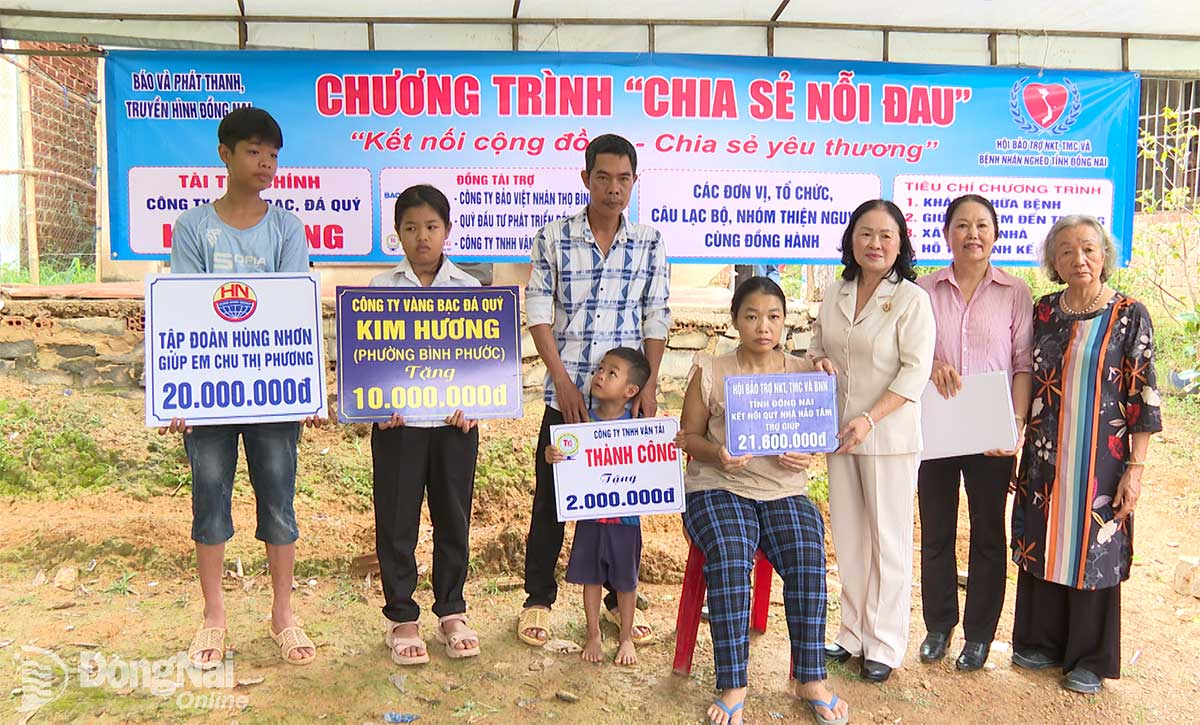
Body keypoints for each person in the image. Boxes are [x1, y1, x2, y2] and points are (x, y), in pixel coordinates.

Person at [165, 107, 320, 668]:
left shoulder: (287, 229)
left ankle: (283, 614)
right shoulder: (193, 229)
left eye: (273, 155)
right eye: (254, 151)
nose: (266, 163)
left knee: (279, 499)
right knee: (210, 498)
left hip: (272, 393)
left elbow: (292, 311)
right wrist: (176, 388)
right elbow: (183, 314)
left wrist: (306, 390)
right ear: (225, 154)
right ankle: (213, 616)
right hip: (208, 394)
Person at [518, 133, 670, 647]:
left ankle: (617, 602)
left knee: (621, 502)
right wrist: (563, 382)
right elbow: (538, 311)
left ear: (634, 182)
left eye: (623, 178)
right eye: (602, 177)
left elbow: (656, 315)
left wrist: (646, 387)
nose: (613, 188)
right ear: (585, 179)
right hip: (570, 397)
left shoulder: (649, 242)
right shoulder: (553, 237)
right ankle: (537, 600)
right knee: (553, 501)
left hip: (624, 405)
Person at [677, 277, 850, 725]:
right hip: (716, 486)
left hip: (781, 490)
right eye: (751, 316)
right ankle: (733, 683)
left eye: (773, 316)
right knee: (732, 551)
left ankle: (810, 677)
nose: (762, 326)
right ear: (736, 320)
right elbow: (688, 438)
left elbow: (817, 437)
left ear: (784, 322)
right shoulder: (711, 369)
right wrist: (718, 453)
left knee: (809, 551)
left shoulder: (801, 373)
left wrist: (806, 451)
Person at [1010, 215, 1161, 694]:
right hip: (1046, 453)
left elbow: (1143, 396)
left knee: (1095, 547)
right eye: (1067, 250)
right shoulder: (1043, 312)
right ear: (1053, 260)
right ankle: (1041, 642)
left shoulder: (1129, 314)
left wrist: (1135, 468)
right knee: (1045, 538)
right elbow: (1024, 376)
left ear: (1104, 256)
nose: (1079, 259)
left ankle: (1090, 658)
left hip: (1105, 458)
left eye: (1089, 249)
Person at [808, 199, 935, 683]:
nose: (875, 243)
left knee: (888, 541)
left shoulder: (911, 299)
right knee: (849, 537)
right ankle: (851, 632)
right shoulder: (836, 290)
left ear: (900, 242)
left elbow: (914, 371)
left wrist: (869, 418)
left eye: (886, 235)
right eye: (865, 233)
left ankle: (884, 642)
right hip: (839, 433)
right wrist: (818, 360)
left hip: (888, 436)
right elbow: (818, 343)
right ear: (851, 240)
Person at [914, 194, 1034, 671]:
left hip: (991, 431)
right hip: (937, 428)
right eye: (961, 225)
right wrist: (932, 367)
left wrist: (1016, 427)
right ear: (947, 234)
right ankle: (938, 627)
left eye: (982, 225)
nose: (972, 234)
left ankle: (979, 634)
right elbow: (910, 357)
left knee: (988, 533)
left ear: (996, 232)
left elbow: (1023, 365)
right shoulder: (923, 290)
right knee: (937, 530)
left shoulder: (1014, 292)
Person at [369, 185, 483, 666]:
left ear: (447, 231)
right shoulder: (377, 290)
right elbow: (366, 362)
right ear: (397, 234)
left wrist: (475, 403)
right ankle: (402, 616)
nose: (422, 237)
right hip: (399, 427)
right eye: (411, 228)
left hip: (454, 426)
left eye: (431, 227)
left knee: (453, 519)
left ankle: (452, 611)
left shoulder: (471, 291)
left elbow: (483, 365)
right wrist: (374, 403)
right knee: (397, 522)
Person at [544, 347, 652, 666]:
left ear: (631, 391)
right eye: (600, 369)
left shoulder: (640, 427)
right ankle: (593, 633)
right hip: (589, 518)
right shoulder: (579, 425)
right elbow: (569, 464)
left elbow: (653, 463)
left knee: (626, 582)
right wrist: (554, 456)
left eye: (611, 373)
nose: (600, 376)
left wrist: (673, 445)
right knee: (591, 578)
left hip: (627, 521)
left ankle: (626, 637)